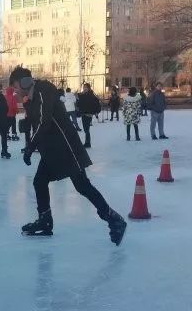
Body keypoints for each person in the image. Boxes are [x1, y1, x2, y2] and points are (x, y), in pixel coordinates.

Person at [9, 66, 126, 244]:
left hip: (66, 148)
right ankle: (45, 221)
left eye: (15, 86)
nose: (15, 91)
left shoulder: (43, 90)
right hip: (52, 150)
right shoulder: (32, 98)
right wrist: (26, 126)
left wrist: (31, 146)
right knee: (39, 181)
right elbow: (37, 120)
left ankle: (114, 219)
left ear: (25, 82)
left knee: (82, 186)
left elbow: (44, 120)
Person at [76, 83, 101, 149]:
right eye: (84, 87)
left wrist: (95, 112)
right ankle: (87, 142)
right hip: (83, 113)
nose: (84, 88)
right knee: (85, 129)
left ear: (89, 88)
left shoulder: (91, 95)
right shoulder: (83, 95)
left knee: (86, 129)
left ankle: (88, 143)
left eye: (85, 87)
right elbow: (80, 103)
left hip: (88, 114)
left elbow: (96, 103)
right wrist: (78, 97)